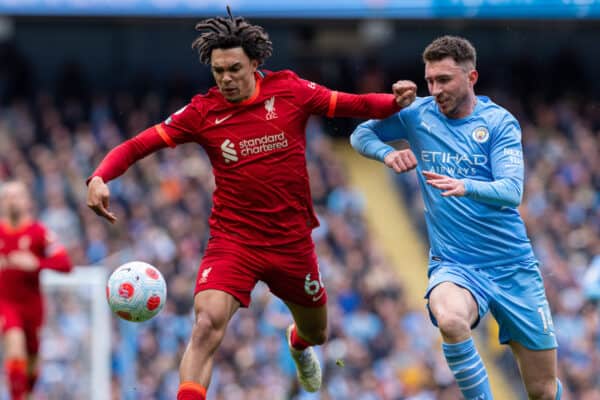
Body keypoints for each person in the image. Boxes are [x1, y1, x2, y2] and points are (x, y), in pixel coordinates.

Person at [86, 10, 417, 400]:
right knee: (207, 324)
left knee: (317, 332)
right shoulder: (202, 112)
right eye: (218, 70)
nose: (225, 78)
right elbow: (140, 144)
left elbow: (356, 105)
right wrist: (100, 176)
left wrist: (394, 101)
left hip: (291, 243)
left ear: (255, 63)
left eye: (234, 69)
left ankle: (296, 343)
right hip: (233, 242)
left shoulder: (290, 91)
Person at [350, 35, 561, 400]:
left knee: (541, 390)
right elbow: (361, 133)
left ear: (471, 77)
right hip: (456, 265)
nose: (435, 90)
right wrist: (387, 155)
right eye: (430, 81)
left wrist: (465, 185)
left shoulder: (499, 124)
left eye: (444, 80)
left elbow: (513, 190)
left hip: (512, 268)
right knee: (449, 319)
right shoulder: (418, 115)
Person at [0, 181, 73, 400]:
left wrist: (37, 263)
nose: (13, 201)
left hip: (33, 306)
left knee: (31, 362)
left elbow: (65, 265)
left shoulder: (40, 232)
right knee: (14, 346)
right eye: (8, 197)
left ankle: (28, 393)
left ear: (27, 201)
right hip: (5, 302)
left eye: (17, 196)